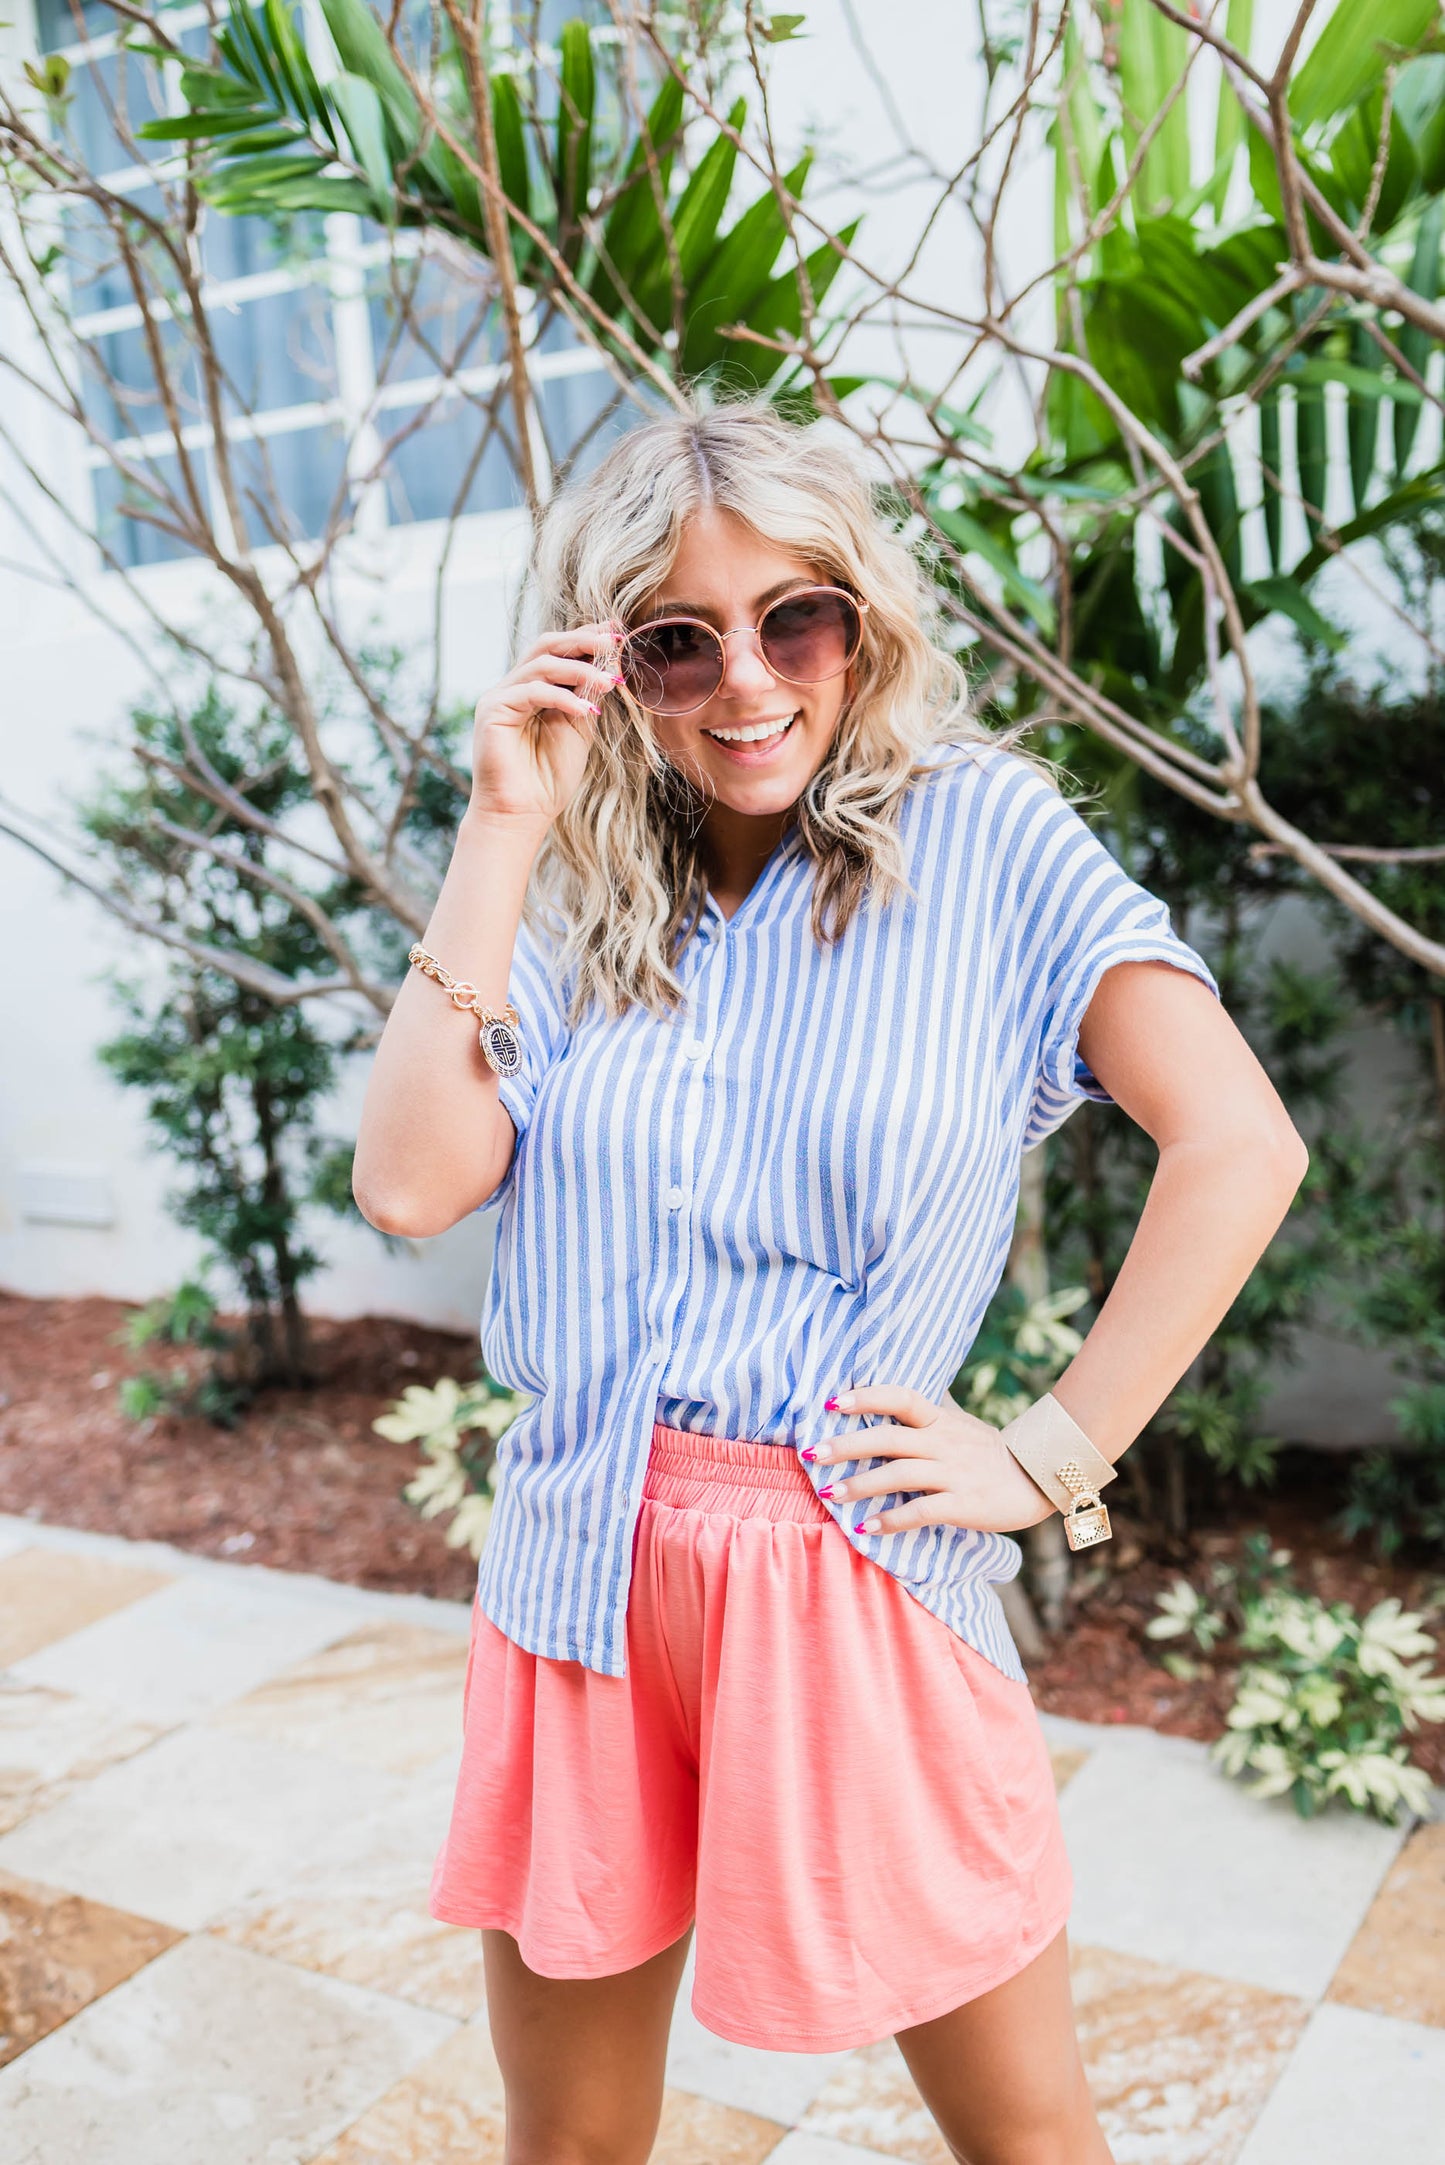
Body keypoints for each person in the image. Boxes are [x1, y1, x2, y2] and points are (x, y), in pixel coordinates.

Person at [353, 398, 1308, 2165]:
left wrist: (1046, 1453)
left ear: (860, 619)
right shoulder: (565, 891)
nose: (746, 682)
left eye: (795, 618)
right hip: (581, 1563)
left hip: (852, 1559)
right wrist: (498, 829)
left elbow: (1239, 1144)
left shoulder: (988, 845)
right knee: (565, 2145)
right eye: (675, 640)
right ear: (605, 659)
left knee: (1028, 2142)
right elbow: (411, 1179)